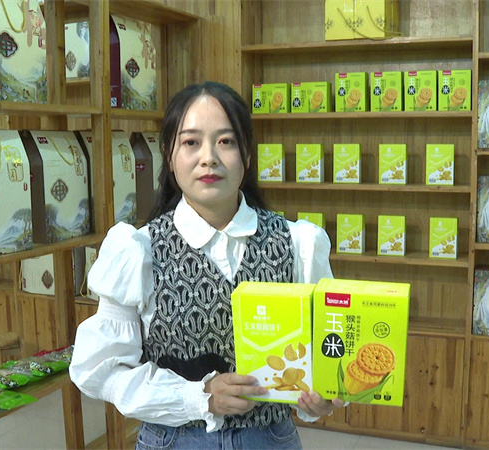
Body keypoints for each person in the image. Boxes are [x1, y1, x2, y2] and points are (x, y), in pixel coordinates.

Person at [69, 81, 343, 449]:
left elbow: (325, 351)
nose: (209, 157)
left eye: (226, 141)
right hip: (174, 440)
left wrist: (322, 396)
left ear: (247, 155)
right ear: (169, 157)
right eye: (191, 142)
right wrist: (198, 397)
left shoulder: (298, 244)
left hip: (269, 439)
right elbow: (100, 370)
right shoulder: (138, 250)